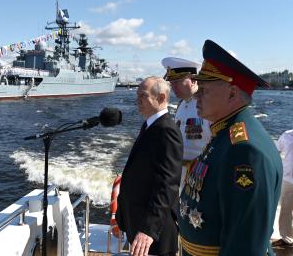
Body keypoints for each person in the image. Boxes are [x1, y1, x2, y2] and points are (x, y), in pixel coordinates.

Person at [177, 39, 282, 255]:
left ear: (232, 94)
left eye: (203, 89)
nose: (196, 95)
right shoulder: (223, 134)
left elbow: (245, 244)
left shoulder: (245, 150)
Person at [116, 76, 183, 256]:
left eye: (143, 95)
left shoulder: (166, 130)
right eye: (137, 94)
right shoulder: (150, 125)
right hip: (138, 222)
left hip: (154, 232)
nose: (137, 100)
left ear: (161, 98)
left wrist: (149, 229)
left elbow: (168, 185)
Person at [162, 57, 212, 192]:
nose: (173, 87)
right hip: (180, 176)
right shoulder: (182, 104)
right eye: (172, 83)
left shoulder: (208, 106)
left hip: (202, 178)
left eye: (177, 82)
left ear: (194, 79)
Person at [272, 129, 293, 247]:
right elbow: (275, 153)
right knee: (286, 209)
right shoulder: (286, 135)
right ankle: (287, 239)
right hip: (288, 179)